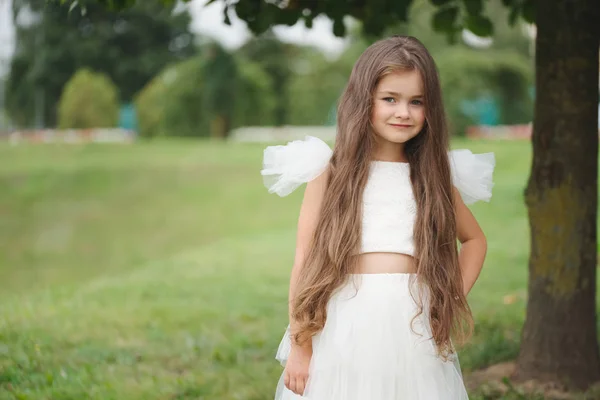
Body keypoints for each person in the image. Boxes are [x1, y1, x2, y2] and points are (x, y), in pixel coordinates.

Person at [260, 35, 495, 400]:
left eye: (416, 102)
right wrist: (300, 344)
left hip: (413, 324)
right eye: (390, 99)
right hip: (342, 321)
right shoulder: (330, 172)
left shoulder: (432, 176)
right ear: (363, 100)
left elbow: (475, 241)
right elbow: (304, 259)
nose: (404, 112)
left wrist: (447, 303)